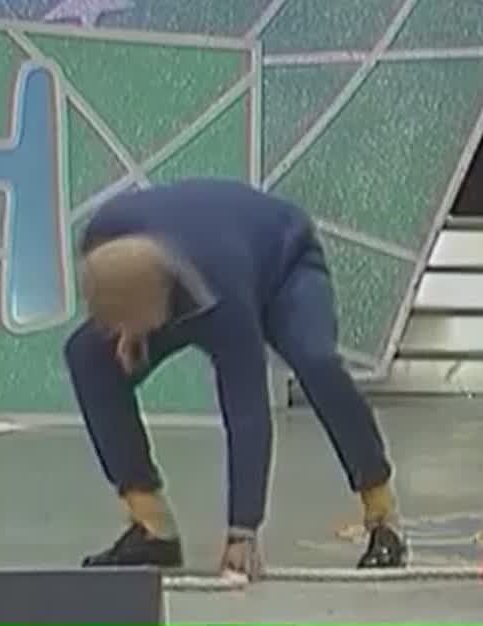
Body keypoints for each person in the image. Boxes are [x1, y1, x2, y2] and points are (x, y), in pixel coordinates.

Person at [65, 178, 406, 577]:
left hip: (283, 264)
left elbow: (247, 412)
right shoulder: (101, 234)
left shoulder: (221, 299)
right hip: (190, 267)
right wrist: (128, 327)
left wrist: (243, 529)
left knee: (317, 363)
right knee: (87, 356)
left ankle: (382, 514)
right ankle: (151, 526)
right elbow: (116, 290)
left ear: (162, 305)